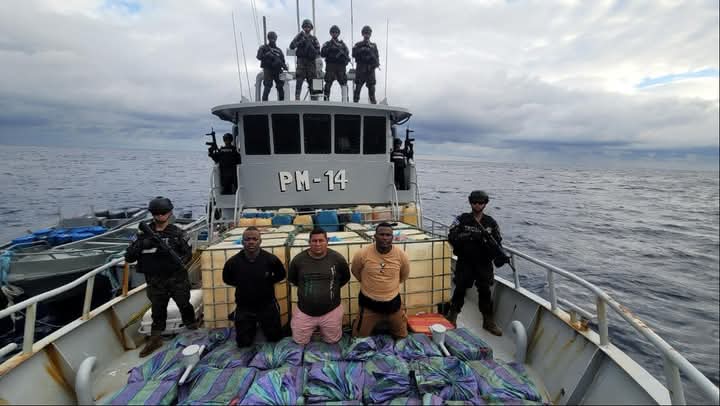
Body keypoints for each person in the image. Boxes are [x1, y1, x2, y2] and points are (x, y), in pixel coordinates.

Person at [125, 196, 198, 357]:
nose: (160, 216)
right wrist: (142, 245)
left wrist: (176, 259)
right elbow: (129, 257)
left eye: (163, 213)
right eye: (156, 213)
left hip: (177, 278)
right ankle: (155, 338)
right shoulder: (142, 235)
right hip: (155, 280)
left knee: (184, 305)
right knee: (157, 310)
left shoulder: (178, 233)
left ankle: (193, 330)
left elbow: (188, 254)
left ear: (169, 213)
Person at [446, 190, 510, 336]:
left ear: (485, 203)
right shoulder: (462, 219)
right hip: (465, 261)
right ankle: (452, 316)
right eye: (474, 202)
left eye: (480, 202)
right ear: (470, 202)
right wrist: (469, 236)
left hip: (483, 263)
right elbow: (452, 236)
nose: (477, 205)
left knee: (485, 291)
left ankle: (488, 321)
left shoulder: (491, 223)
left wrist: (500, 255)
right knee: (460, 289)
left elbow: (497, 242)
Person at [222, 226, 286, 347]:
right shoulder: (233, 262)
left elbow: (281, 274)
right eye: (247, 239)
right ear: (242, 242)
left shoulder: (271, 259)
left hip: (267, 305)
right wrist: (244, 284)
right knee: (243, 343)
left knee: (275, 339)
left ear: (260, 241)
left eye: (254, 239)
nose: (251, 242)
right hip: (244, 307)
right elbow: (227, 279)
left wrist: (267, 282)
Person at [287, 227, 350, 345]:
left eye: (321, 240)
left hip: (331, 311)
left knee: (332, 342)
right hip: (304, 311)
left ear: (327, 241)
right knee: (299, 342)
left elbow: (345, 278)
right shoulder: (298, 260)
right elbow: (293, 280)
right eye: (314, 241)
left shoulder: (337, 259)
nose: (317, 244)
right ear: (309, 242)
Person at [351, 222, 411, 338]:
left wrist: (388, 288)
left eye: (388, 235)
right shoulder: (362, 253)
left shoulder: (401, 255)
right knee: (358, 338)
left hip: (393, 305)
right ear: (375, 236)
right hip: (368, 305)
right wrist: (369, 284)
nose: (385, 238)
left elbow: (403, 276)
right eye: (381, 234)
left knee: (402, 336)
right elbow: (355, 271)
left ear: (392, 237)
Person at [290, 19, 321, 100]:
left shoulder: (314, 38)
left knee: (315, 81)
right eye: (305, 26)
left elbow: (318, 51)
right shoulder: (299, 36)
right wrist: (301, 41)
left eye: (308, 27)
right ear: (303, 27)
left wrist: (311, 47)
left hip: (311, 64)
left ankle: (316, 100)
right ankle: (297, 99)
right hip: (301, 63)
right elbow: (292, 46)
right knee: (299, 81)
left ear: (311, 28)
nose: (307, 28)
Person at [320, 25, 350, 101]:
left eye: (336, 32)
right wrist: (330, 48)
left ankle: (345, 101)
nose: (334, 34)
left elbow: (347, 54)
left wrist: (343, 55)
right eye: (333, 32)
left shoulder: (343, 45)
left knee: (344, 85)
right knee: (327, 85)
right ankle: (326, 101)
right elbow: (322, 53)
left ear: (338, 33)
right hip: (330, 67)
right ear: (331, 33)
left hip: (341, 67)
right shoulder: (327, 44)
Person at [256, 31, 288, 101]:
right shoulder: (264, 48)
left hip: (277, 70)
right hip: (268, 69)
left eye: (273, 38)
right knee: (267, 86)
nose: (272, 39)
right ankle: (264, 102)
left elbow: (282, 61)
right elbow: (259, 57)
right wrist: (266, 55)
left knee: (280, 86)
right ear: (268, 38)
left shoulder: (279, 50)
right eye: (271, 38)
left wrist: (284, 66)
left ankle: (282, 102)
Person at [352, 25, 380, 104]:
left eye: (368, 33)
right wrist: (362, 49)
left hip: (370, 70)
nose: (367, 35)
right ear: (362, 34)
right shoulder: (358, 44)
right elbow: (353, 54)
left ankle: (373, 102)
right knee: (358, 87)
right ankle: (355, 102)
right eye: (365, 33)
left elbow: (377, 57)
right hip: (361, 68)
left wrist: (375, 63)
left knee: (372, 88)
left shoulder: (373, 46)